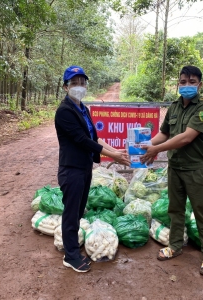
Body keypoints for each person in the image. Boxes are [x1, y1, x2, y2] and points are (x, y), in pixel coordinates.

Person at [140, 65, 203, 276]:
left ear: (200, 85)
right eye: (183, 82)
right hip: (175, 167)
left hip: (197, 169)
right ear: (178, 85)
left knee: (202, 211)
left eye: (192, 82)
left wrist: (155, 149)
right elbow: (164, 134)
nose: (187, 86)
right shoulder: (173, 108)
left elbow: (186, 137)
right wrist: (144, 145)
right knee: (175, 209)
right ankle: (174, 246)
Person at [55, 65, 130, 273]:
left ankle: (72, 248)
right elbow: (81, 140)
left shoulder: (82, 108)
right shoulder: (64, 112)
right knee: (71, 213)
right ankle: (70, 256)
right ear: (65, 87)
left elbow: (93, 138)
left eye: (82, 82)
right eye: (74, 83)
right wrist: (113, 156)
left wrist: (116, 150)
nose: (79, 86)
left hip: (84, 167)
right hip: (72, 169)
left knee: (79, 211)